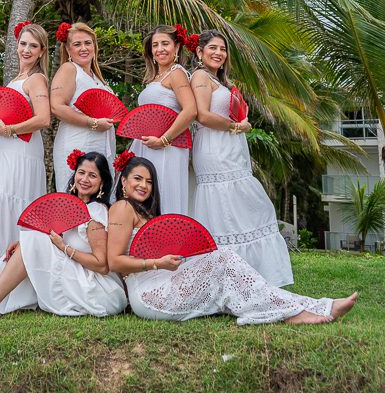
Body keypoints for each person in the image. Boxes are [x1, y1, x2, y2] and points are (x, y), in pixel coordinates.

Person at [107, 156, 357, 325]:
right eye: (137, 179)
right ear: (124, 181)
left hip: (167, 280)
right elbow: (115, 261)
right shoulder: (121, 208)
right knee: (223, 259)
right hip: (150, 295)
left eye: (149, 181)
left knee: (224, 267)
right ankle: (305, 310)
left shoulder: (146, 213)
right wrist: (157, 263)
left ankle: (308, 308)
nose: (144, 185)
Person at [0, 151, 126, 322]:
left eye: (92, 175)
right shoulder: (70, 206)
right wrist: (24, 245)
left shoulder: (96, 213)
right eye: (81, 172)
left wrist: (63, 247)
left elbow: (102, 265)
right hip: (74, 273)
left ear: (102, 183)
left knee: (33, 240)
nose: (85, 179)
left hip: (96, 289)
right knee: (22, 248)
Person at [190, 29, 293, 286]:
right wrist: (237, 126)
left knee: (239, 206)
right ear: (199, 52)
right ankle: (227, 276)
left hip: (229, 146)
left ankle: (249, 273)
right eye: (213, 48)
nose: (219, 53)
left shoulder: (218, 80)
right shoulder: (200, 76)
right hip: (214, 148)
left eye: (223, 49)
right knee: (226, 207)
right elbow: (203, 115)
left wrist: (239, 124)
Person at [0, 22, 50, 272]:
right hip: (3, 152)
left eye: (33, 46)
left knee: (0, 207)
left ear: (41, 51)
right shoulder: (16, 79)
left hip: (21, 152)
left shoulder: (36, 79)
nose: (26, 50)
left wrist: (9, 130)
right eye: (23, 44)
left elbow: (44, 119)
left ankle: (6, 274)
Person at [129, 25, 196, 215]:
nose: (160, 49)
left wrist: (164, 140)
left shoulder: (176, 73)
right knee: (145, 196)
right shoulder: (156, 77)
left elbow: (190, 110)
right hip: (148, 144)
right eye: (155, 45)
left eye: (165, 44)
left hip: (168, 146)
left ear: (176, 47)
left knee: (164, 194)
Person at [50, 22, 116, 192]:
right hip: (77, 142)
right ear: (68, 49)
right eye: (77, 44)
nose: (84, 48)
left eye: (88, 43)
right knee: (76, 195)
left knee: (99, 197)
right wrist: (93, 123)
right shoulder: (69, 69)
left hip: (101, 144)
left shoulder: (97, 78)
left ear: (94, 46)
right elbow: (56, 107)